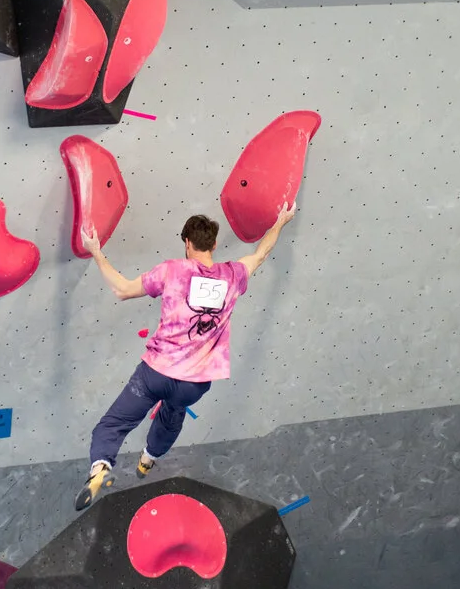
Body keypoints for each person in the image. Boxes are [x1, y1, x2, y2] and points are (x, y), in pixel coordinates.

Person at [74, 203, 297, 510]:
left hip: (155, 374)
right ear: (214, 244)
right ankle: (149, 459)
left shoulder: (173, 270)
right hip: (193, 384)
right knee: (173, 413)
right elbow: (261, 252)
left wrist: (96, 251)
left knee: (112, 425)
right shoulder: (233, 275)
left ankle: (100, 468)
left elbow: (123, 290)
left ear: (187, 243)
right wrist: (281, 220)